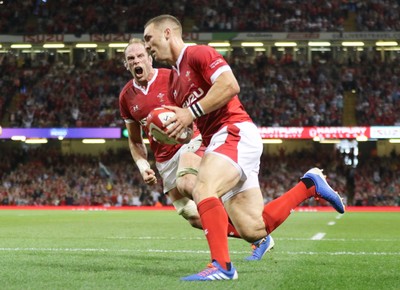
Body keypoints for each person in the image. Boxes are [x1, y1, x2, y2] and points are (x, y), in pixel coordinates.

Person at [143, 15, 345, 281]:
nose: (147, 46)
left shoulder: (199, 54)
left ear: (167, 33)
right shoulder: (174, 80)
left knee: (203, 187)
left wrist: (188, 113)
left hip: (235, 130)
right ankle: (310, 185)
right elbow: (193, 123)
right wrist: (175, 132)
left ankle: (222, 266)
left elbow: (230, 85)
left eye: (149, 38)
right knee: (253, 229)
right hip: (219, 138)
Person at [119, 38, 274, 260]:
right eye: (131, 58)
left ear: (149, 58)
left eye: (140, 55)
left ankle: (226, 255)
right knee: (192, 215)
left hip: (191, 141)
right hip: (164, 159)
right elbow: (134, 140)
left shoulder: (171, 76)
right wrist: (144, 166)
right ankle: (255, 233)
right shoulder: (126, 97)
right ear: (126, 64)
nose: (136, 61)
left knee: (191, 185)